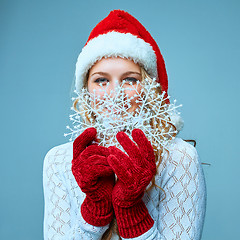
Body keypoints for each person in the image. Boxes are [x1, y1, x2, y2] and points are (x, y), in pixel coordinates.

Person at [43, 9, 206, 240]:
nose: (115, 94)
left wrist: (132, 210)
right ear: (86, 90)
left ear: (149, 88)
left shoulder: (179, 158)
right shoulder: (58, 161)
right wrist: (94, 210)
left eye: (130, 79)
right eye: (101, 80)